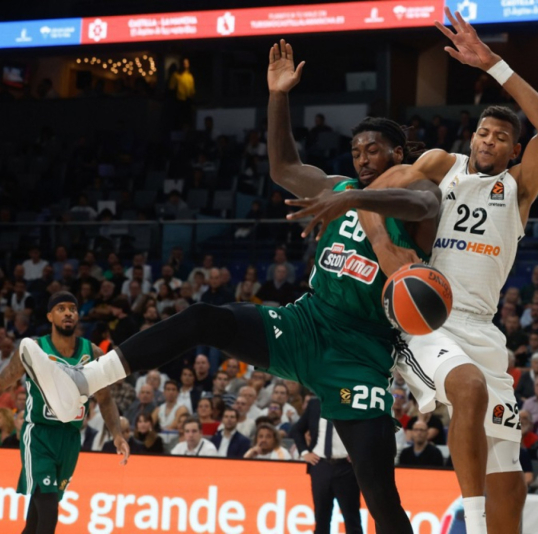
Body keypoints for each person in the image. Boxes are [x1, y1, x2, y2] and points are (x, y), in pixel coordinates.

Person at [20, 38, 440, 534]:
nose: (363, 159)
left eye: (374, 150)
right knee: (205, 318)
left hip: (361, 351)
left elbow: (427, 206)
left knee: (381, 496)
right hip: (307, 323)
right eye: (356, 151)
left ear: (397, 152)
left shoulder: (411, 189)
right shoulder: (339, 188)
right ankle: (82, 383)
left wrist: (354, 201)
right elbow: (283, 169)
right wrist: (278, 96)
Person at [348, 10, 538, 533]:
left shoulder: (519, 188)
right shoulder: (442, 165)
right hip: (428, 320)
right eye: (483, 132)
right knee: (467, 388)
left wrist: (494, 65)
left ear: (514, 150)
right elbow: (370, 195)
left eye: (499, 137)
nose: (488, 140)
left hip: (483, 329)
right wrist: (384, 249)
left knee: (509, 473)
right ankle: (472, 523)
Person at [1, 292, 129, 534]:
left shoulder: (92, 353)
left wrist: (117, 434)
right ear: (50, 316)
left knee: (36, 519)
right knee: (48, 509)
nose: (68, 313)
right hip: (39, 435)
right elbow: (4, 380)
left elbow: (105, 399)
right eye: (61, 308)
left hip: (70, 438)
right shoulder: (35, 350)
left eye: (72, 308)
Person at [291, 397, 363, 534]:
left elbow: (367, 431)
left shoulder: (353, 402)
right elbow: (297, 430)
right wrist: (304, 452)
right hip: (321, 466)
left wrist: (358, 452)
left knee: (352, 518)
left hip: (346, 467)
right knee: (321, 518)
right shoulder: (315, 404)